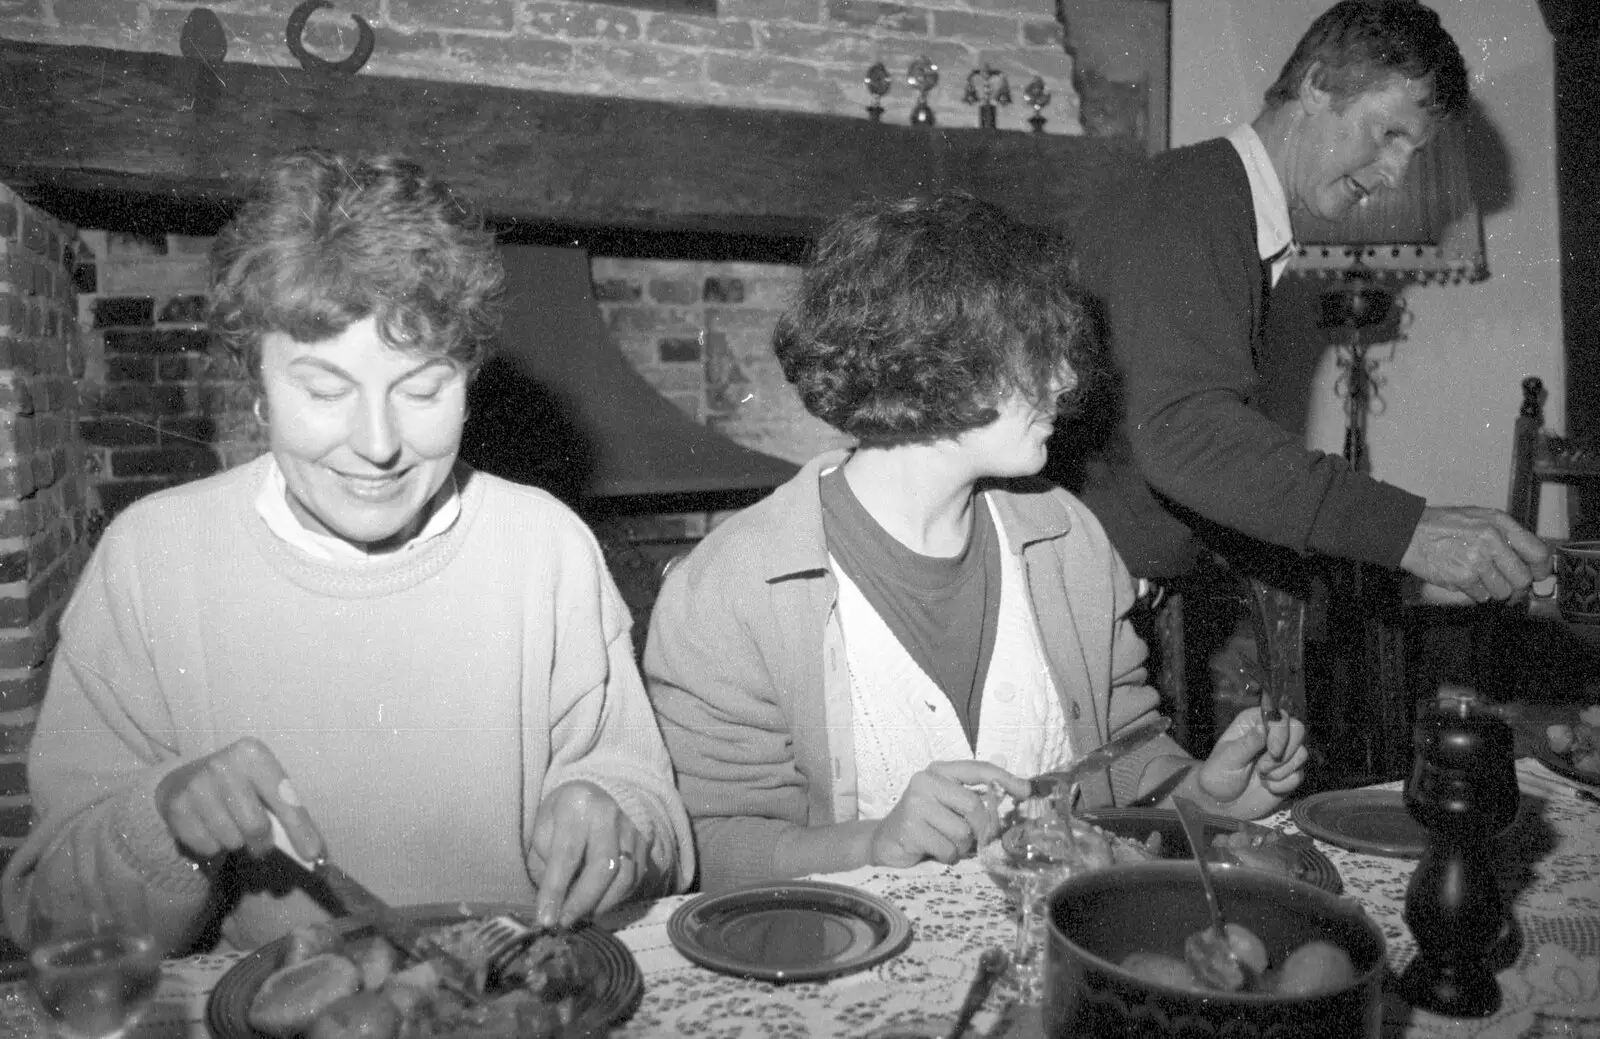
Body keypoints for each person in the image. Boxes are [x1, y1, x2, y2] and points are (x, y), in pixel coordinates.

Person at [1, 151, 693, 955]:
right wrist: (161, 823)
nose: (378, 444)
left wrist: (615, 817)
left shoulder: (548, 547)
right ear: (255, 387)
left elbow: (652, 818)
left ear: (469, 379)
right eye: (325, 391)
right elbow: (48, 925)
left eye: (424, 388)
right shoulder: (149, 561)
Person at [643, 194, 1307, 895]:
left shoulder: (1068, 538)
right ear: (934, 362)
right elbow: (710, 847)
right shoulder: (732, 587)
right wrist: (874, 841)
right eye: (1036, 352)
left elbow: (1120, 758)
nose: (1068, 378)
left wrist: (1206, 793)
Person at [1062, 0, 1550, 604]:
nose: (1396, 174)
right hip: (1088, 601)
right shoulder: (1193, 205)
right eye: (1390, 133)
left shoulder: (1219, 203)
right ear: (1318, 86)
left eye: (1412, 152)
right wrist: (1408, 531)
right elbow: (1185, 434)